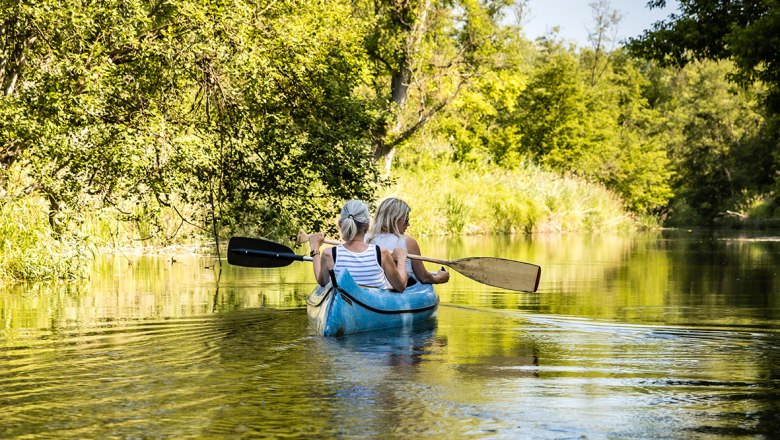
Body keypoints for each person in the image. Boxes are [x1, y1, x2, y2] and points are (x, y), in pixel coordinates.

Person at [308, 200, 408, 292]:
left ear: (340, 224)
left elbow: (322, 282)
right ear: (367, 226)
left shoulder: (328, 254)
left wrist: (315, 248)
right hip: (372, 305)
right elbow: (400, 287)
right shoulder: (382, 253)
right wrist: (401, 259)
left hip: (346, 305)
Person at [366, 197, 449, 285]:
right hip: (398, 288)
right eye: (406, 220)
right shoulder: (408, 242)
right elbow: (423, 277)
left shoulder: (365, 238)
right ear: (395, 219)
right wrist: (439, 278)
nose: (408, 224)